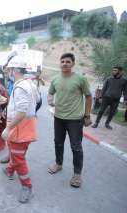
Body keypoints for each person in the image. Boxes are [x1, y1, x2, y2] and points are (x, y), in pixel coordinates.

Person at [47, 53, 92, 188]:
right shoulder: (55, 79)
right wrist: (50, 99)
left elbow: (89, 97)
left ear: (73, 64)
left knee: (76, 147)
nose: (65, 63)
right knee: (58, 143)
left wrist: (87, 115)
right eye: (62, 61)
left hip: (75, 120)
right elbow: (50, 92)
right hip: (58, 117)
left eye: (68, 61)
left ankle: (77, 174)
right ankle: (58, 164)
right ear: (60, 63)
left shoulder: (80, 79)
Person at [1, 56, 39, 203]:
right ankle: (10, 170)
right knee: (16, 153)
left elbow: (22, 111)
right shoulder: (29, 84)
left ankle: (27, 187)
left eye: (9, 70)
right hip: (25, 126)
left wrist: (8, 127)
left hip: (19, 128)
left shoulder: (21, 86)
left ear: (15, 70)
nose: (7, 73)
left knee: (18, 158)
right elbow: (35, 103)